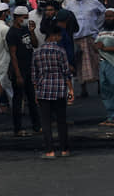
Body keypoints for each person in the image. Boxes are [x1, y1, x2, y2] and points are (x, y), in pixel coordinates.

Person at [31, 24, 74, 157]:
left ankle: (50, 150)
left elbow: (34, 75)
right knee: (61, 121)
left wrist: (35, 92)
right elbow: (66, 72)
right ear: (55, 36)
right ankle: (64, 149)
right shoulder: (61, 51)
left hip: (43, 89)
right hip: (60, 89)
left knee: (46, 122)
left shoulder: (37, 52)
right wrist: (71, 89)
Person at [6, 5, 41, 136]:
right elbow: (13, 55)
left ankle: (36, 126)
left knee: (32, 98)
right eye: (24, 17)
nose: (26, 20)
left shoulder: (26, 29)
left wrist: (32, 31)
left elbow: (35, 44)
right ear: (17, 18)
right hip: (19, 69)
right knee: (18, 99)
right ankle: (18, 128)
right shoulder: (12, 33)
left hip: (29, 68)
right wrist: (18, 75)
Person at [94, 8, 114, 125]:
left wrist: (104, 48)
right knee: (105, 91)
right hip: (103, 63)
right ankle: (110, 115)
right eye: (106, 16)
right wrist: (97, 46)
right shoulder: (101, 31)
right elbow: (96, 45)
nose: (108, 19)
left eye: (110, 16)